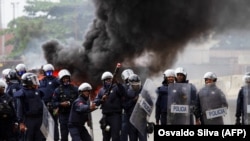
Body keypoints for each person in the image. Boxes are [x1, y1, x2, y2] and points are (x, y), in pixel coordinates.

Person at [94, 71, 126, 141]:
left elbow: (123, 92)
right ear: (103, 81)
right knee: (106, 137)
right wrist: (101, 100)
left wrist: (117, 82)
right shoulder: (101, 91)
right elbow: (95, 102)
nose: (108, 81)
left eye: (110, 79)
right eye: (106, 79)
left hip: (115, 116)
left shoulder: (117, 88)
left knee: (115, 137)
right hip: (105, 117)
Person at [14, 72, 45, 141]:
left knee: (39, 138)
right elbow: (19, 109)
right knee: (28, 138)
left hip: (39, 119)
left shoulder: (38, 92)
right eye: (33, 80)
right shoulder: (22, 93)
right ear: (28, 82)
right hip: (28, 120)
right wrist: (21, 122)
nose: (35, 82)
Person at [52, 69, 78, 141]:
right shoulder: (57, 90)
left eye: (67, 78)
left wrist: (70, 103)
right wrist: (60, 104)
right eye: (64, 78)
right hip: (63, 115)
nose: (66, 80)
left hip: (73, 115)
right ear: (61, 80)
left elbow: (79, 101)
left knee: (75, 135)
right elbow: (53, 103)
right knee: (64, 135)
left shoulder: (75, 89)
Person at [39, 64, 60, 141]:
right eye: (47, 72)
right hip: (44, 106)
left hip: (53, 106)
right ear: (44, 72)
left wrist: (57, 106)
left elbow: (59, 92)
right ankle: (43, 139)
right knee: (44, 123)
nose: (49, 74)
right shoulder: (41, 81)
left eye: (50, 72)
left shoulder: (56, 80)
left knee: (54, 122)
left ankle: (56, 138)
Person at [123, 74, 147, 141]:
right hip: (131, 120)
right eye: (134, 84)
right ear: (130, 84)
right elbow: (125, 106)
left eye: (137, 84)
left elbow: (149, 104)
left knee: (143, 139)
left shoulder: (143, 91)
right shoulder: (126, 92)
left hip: (141, 119)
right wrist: (133, 100)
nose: (136, 86)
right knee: (133, 139)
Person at [120, 68, 134, 141]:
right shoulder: (121, 88)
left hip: (134, 114)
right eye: (127, 79)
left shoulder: (137, 87)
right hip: (124, 114)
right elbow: (122, 103)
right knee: (123, 133)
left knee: (132, 134)